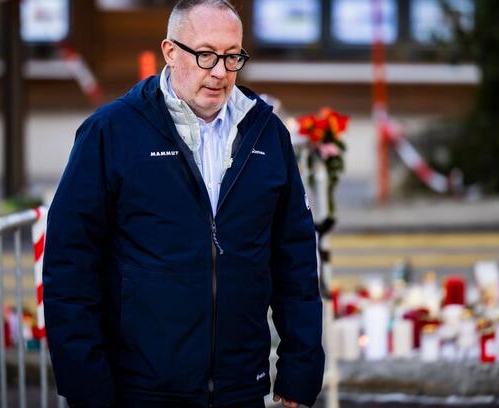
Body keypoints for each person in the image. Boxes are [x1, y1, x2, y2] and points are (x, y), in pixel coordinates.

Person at [42, 0, 325, 407]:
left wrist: (301, 368)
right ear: (170, 52)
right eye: (206, 54)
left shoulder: (267, 133)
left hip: (241, 387)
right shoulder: (111, 132)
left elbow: (295, 260)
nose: (220, 72)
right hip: (141, 390)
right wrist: (86, 387)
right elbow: (70, 265)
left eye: (232, 57)